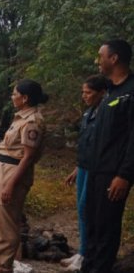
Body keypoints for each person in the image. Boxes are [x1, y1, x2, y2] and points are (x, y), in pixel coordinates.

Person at [0, 79, 48, 273]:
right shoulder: (21, 118)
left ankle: (2, 266)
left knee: (7, 221)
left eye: (15, 94)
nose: (12, 97)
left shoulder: (33, 121)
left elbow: (28, 157)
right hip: (4, 168)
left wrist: (10, 184)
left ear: (25, 98)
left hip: (14, 171)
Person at [82, 39, 134, 273]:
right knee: (92, 225)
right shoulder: (110, 92)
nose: (97, 60)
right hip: (95, 171)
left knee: (106, 230)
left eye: (100, 55)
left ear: (114, 58)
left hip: (113, 175)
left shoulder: (130, 92)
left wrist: (124, 175)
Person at [60, 75, 108, 271]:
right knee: (81, 210)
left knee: (88, 209)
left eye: (88, 92)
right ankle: (82, 251)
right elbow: (85, 144)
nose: (84, 96)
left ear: (102, 93)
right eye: (83, 92)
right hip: (84, 166)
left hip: (99, 169)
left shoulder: (106, 113)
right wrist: (77, 167)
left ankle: (88, 254)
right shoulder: (88, 114)